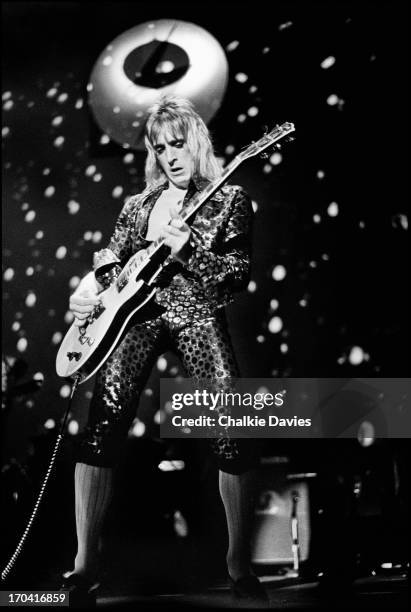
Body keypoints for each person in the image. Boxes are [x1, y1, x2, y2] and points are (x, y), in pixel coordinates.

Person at [61, 95, 266, 606]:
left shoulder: (228, 197)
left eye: (178, 143)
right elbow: (111, 256)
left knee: (232, 426)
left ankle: (239, 565)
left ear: (195, 141)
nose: (170, 155)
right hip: (138, 317)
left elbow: (237, 274)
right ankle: (84, 565)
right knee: (103, 423)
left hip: (196, 311)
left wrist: (190, 250)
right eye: (160, 146)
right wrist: (92, 295)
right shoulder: (139, 204)